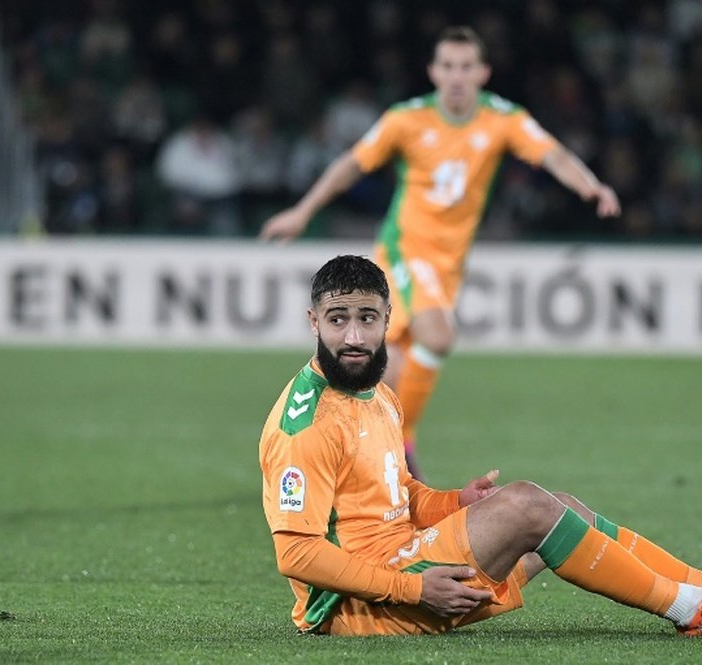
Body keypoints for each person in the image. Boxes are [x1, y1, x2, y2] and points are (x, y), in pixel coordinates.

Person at [259, 254, 702, 637]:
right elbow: (298, 554)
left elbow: (398, 493)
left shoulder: (379, 394)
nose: (353, 337)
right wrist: (413, 592)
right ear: (313, 322)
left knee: (563, 508)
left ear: (386, 322)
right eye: (337, 321)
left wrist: (454, 505)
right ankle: (697, 611)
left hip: (411, 568)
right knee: (527, 505)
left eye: (366, 319)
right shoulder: (303, 424)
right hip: (358, 609)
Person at [259, 26, 623, 480]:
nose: (456, 76)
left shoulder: (503, 119)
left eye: (466, 67)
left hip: (448, 265)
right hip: (405, 251)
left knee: (388, 373)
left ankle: (340, 457)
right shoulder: (406, 119)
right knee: (439, 336)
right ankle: (401, 444)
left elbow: (553, 155)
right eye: (448, 66)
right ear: (433, 71)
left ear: (483, 72)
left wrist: (591, 185)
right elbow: (352, 164)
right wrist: (302, 210)